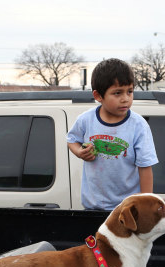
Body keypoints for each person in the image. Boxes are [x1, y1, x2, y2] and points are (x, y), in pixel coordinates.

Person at [66, 58, 157, 210]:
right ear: (98, 96)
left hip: (126, 210)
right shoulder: (86, 120)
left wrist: (145, 205)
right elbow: (72, 140)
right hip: (92, 207)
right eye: (117, 93)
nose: (125, 99)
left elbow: (145, 167)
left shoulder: (138, 125)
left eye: (130, 91)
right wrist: (79, 152)